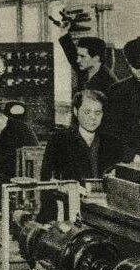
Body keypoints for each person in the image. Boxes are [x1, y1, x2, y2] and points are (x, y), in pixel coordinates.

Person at [39, 89, 125, 221]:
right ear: (76, 111)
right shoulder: (59, 140)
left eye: (98, 113)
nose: (93, 117)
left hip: (105, 214)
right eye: (87, 112)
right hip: (69, 213)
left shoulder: (112, 143)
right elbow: (46, 182)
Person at [105, 36, 140, 168]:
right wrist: (133, 158)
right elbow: (109, 135)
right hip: (132, 163)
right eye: (135, 68)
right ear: (128, 63)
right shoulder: (117, 92)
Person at [56, 20, 117, 95]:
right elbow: (71, 54)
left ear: (96, 58)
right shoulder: (85, 69)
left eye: (82, 56)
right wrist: (64, 32)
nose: (77, 60)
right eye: (78, 55)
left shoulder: (110, 82)